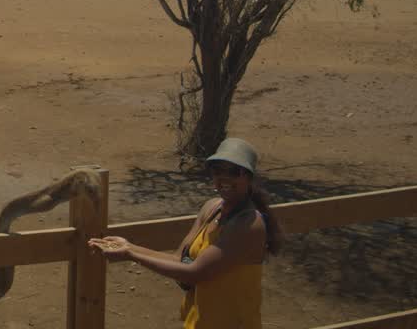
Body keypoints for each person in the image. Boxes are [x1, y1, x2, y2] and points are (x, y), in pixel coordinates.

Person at [88, 138, 284, 328]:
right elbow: (179, 260)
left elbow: (195, 273)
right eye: (217, 170)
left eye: (233, 171)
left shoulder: (249, 224)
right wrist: (129, 246)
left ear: (249, 177)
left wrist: (131, 255)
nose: (223, 177)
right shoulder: (212, 208)